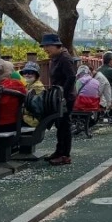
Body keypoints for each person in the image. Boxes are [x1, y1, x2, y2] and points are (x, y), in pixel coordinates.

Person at [40, 33, 76, 164]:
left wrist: (63, 95)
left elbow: (71, 77)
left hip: (65, 97)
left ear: (56, 45)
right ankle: (59, 151)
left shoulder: (65, 58)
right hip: (58, 96)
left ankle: (65, 155)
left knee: (64, 125)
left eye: (47, 46)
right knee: (59, 124)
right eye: (44, 47)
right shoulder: (56, 58)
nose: (45, 49)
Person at [20, 62, 45, 127]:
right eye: (25, 72)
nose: (26, 74)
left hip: (33, 120)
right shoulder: (30, 85)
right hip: (29, 117)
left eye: (30, 72)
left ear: (36, 75)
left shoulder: (37, 87)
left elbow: (33, 107)